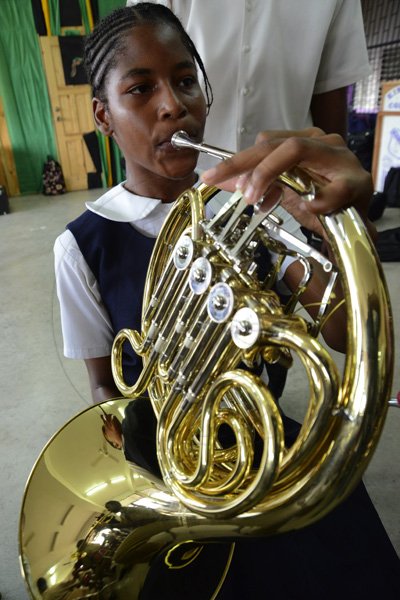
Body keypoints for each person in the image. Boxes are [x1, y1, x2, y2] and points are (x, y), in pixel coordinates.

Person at [53, 4, 400, 598]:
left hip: (265, 456)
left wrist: (334, 225)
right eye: (142, 89)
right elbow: (105, 392)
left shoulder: (249, 207)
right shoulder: (82, 244)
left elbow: (345, 332)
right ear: (103, 117)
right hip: (166, 468)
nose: (174, 105)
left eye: (186, 81)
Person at [127, 0, 371, 168]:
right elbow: (139, 70)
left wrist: (331, 180)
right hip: (187, 179)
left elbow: (330, 89)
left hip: (289, 184)